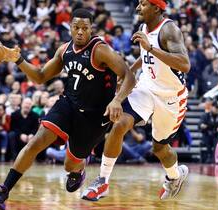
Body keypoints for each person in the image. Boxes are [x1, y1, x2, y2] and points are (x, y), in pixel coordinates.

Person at [0, 8, 135, 209]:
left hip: (94, 116)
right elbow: (39, 76)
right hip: (68, 104)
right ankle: (3, 191)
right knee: (36, 141)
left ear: (91, 29)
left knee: (70, 164)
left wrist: (117, 100)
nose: (80, 32)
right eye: (76, 27)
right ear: (70, 28)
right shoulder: (64, 50)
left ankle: (77, 170)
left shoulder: (101, 50)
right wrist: (17, 59)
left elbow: (129, 76)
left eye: (84, 28)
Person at [82, 0, 191, 201]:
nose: (138, 8)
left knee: (159, 148)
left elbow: (185, 64)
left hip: (171, 97)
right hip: (146, 88)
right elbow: (146, 54)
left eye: (143, 4)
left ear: (157, 7)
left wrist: (150, 48)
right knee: (119, 124)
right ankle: (102, 181)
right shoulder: (143, 27)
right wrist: (130, 71)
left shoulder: (169, 30)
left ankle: (175, 176)